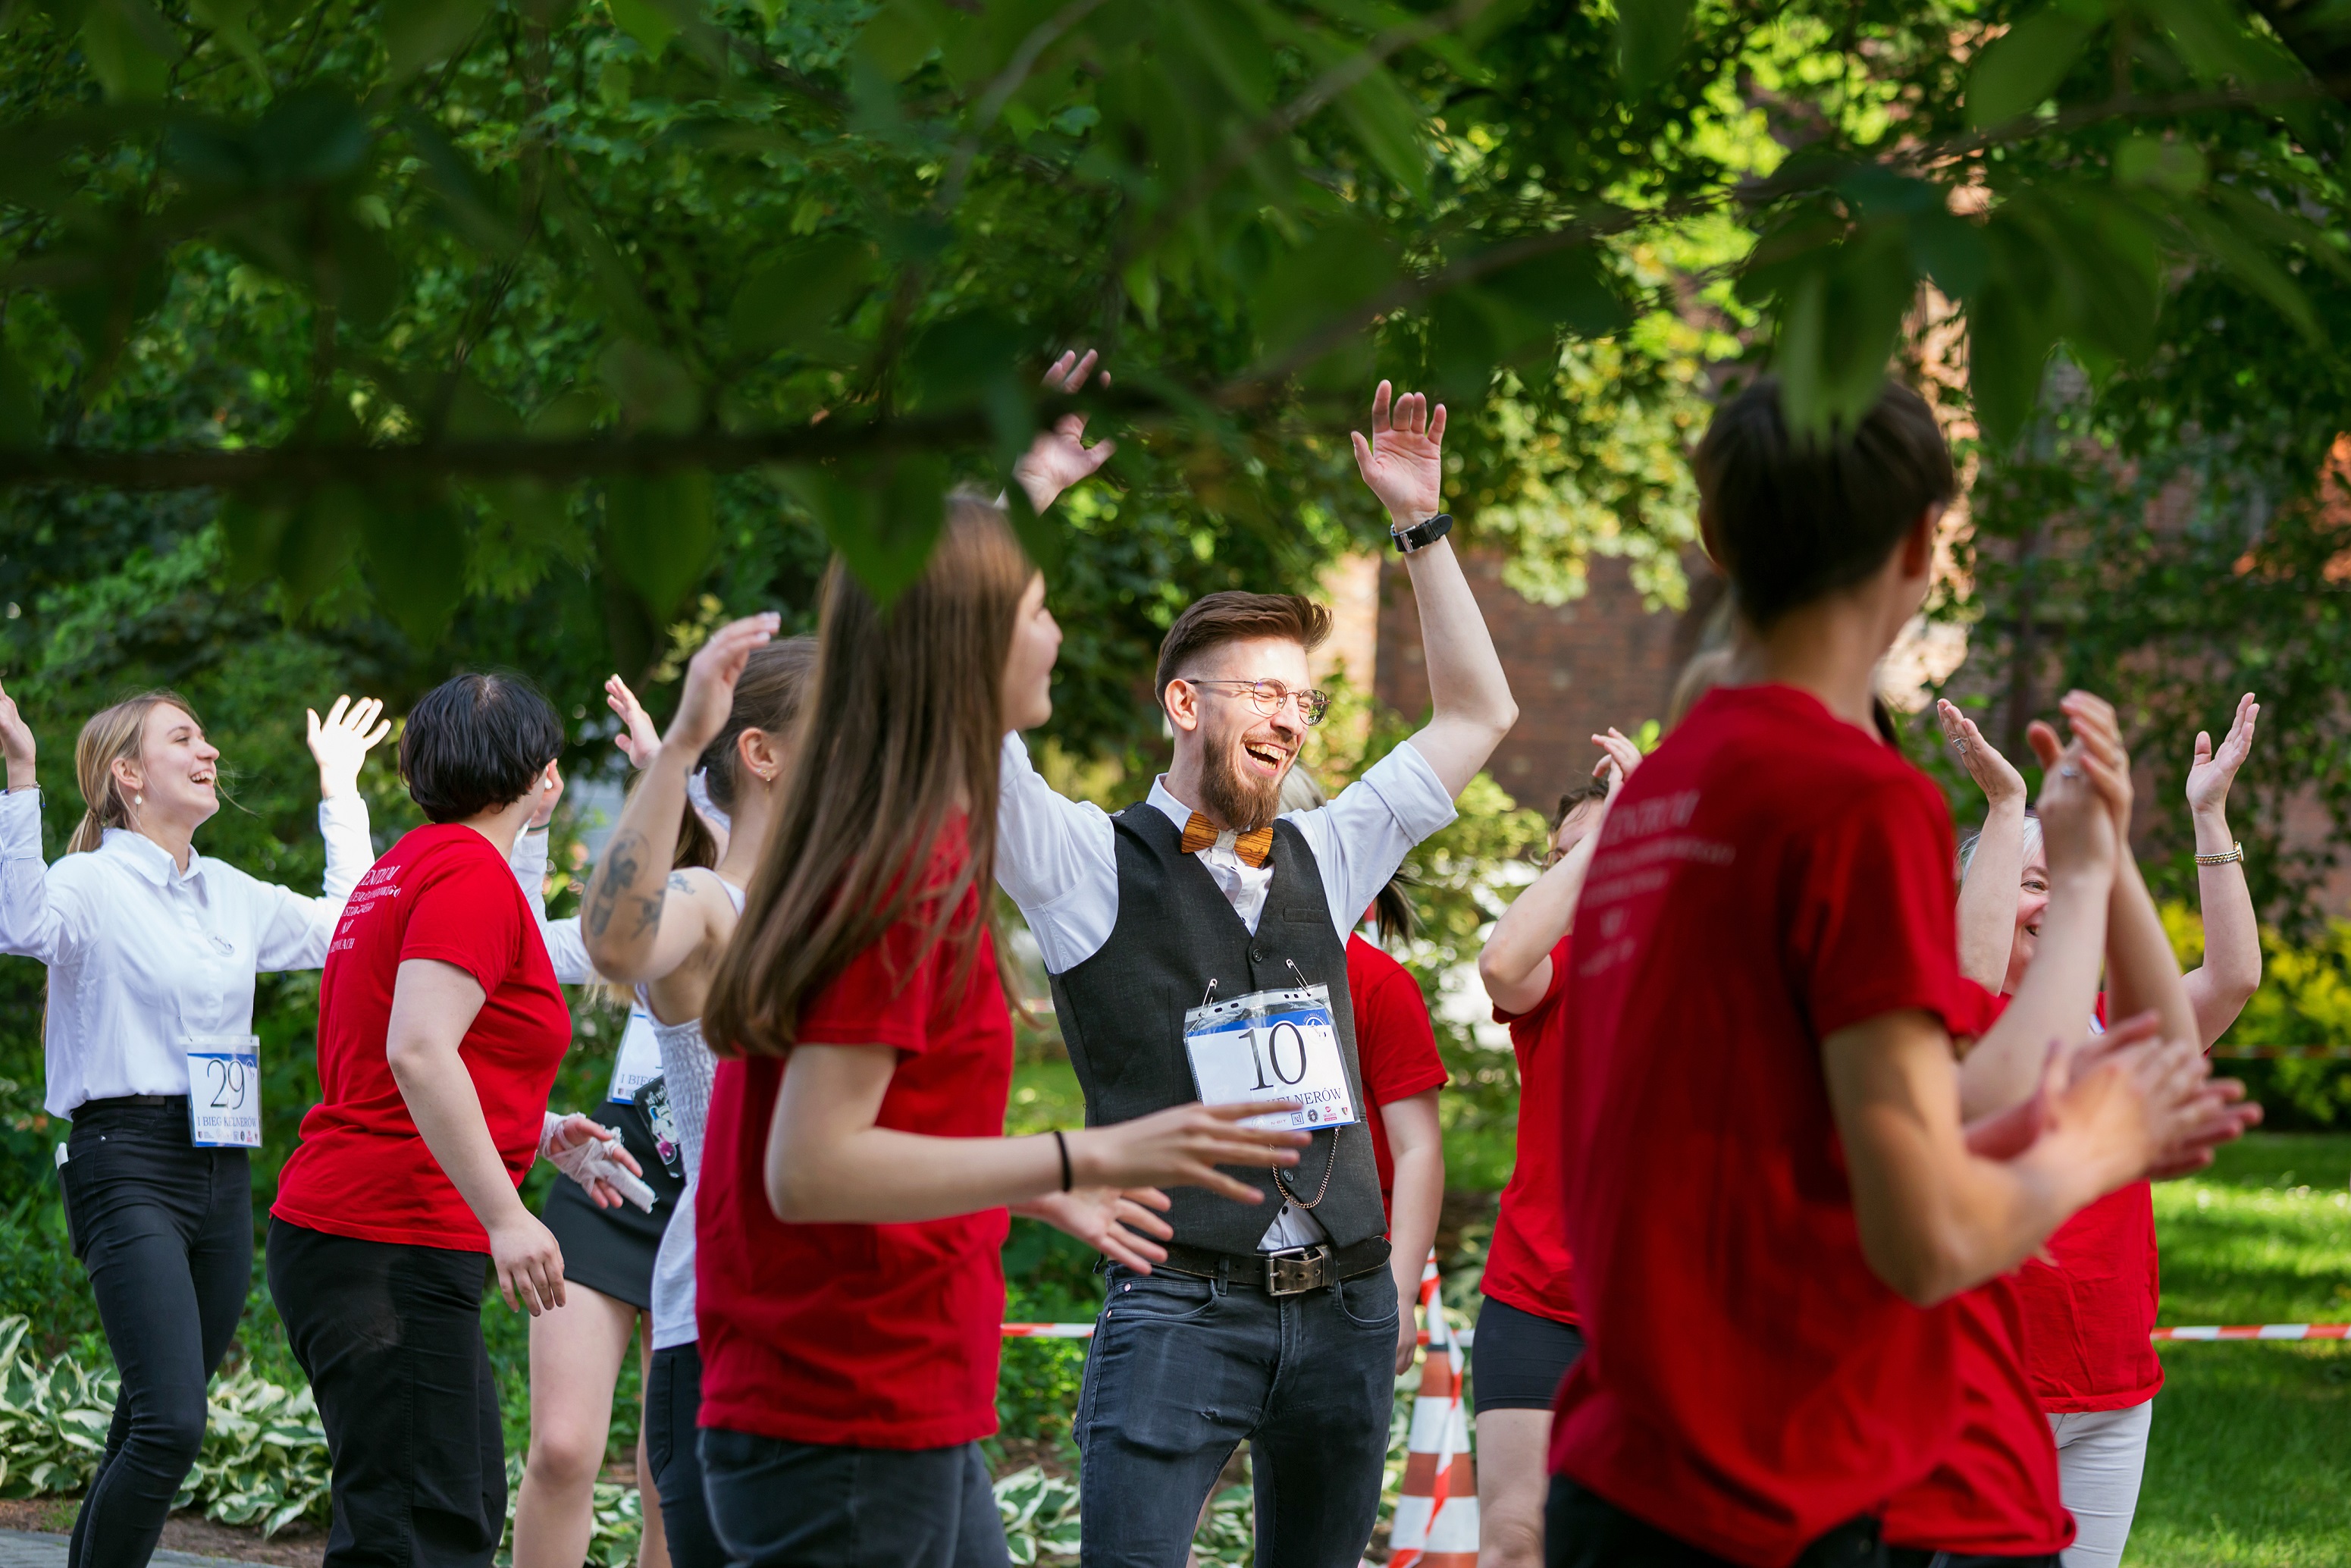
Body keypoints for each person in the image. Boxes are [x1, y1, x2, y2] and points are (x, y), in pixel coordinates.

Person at [1541, 376, 2257, 1568]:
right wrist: (2100, 1146)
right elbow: (1920, 1234)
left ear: (1716, 539)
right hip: (1769, 1497)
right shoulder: (1852, 799)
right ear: (1922, 542)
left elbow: (1935, 1090)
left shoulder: (1665, 791)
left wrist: (2081, 881)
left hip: (1628, 1477)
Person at [691, 497, 1314, 1568]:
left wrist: (1031, 1186)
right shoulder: (896, 864)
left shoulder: (896, 830)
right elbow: (809, 1166)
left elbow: (866, 1122)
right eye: (1035, 604)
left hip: (880, 1404)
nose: (1057, 631)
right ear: (971, 637)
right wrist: (1088, 1152)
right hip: (842, 1414)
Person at [998, 374, 1519, 1568]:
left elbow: (1478, 714)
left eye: (1305, 699)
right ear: (1184, 702)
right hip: (1181, 1301)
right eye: (1264, 692)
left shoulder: (1324, 855)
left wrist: (1421, 528)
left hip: (1344, 1306)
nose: (1292, 718)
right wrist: (1024, 498)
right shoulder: (1084, 860)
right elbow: (974, 727)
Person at [0, 685, 387, 1568]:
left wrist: (341, 789)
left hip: (220, 1169)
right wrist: (21, 769)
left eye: (206, 734)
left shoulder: (231, 894)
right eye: (183, 738)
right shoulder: (88, 882)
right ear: (129, 775)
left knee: (146, 1421)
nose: (207, 750)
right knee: (173, 1421)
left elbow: (350, 929)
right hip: (123, 1161)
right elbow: (18, 923)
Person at [268, 673, 641, 1568]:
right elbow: (419, 1052)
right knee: (424, 1530)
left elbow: (412, 1057)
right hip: (386, 1238)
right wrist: (509, 1216)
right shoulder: (470, 875)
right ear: (544, 777)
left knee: (428, 1515)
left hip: (367, 1232)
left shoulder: (406, 868)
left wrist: (540, 1130)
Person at [1926, 693, 2263, 1568]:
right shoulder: (1954, 1030)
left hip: (2112, 1392)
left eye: (2060, 882)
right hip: (1989, 1393)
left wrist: (2207, 815)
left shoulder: (2110, 1026)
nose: (2050, 902)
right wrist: (2008, 811)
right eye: (2030, 883)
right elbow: (1971, 971)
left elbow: (2229, 979)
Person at [574, 621, 816, 1568]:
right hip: (729, 1334)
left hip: (849, 1330)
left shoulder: (849, 920)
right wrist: (674, 749)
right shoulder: (712, 906)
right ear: (763, 756)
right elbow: (615, 942)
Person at [1470, 731, 1641, 1568]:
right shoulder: (1557, 970)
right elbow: (1502, 960)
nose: (1573, 868)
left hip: (1668, 1314)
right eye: (1560, 856)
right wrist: (1606, 834)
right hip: (1537, 1297)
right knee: (1515, 1537)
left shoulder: (1705, 962)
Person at [1276, 765, 1447, 1378]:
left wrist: (1400, 1296)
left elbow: (1418, 1147)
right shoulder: (1197, 973)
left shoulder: (1376, 982)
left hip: (1347, 1277)